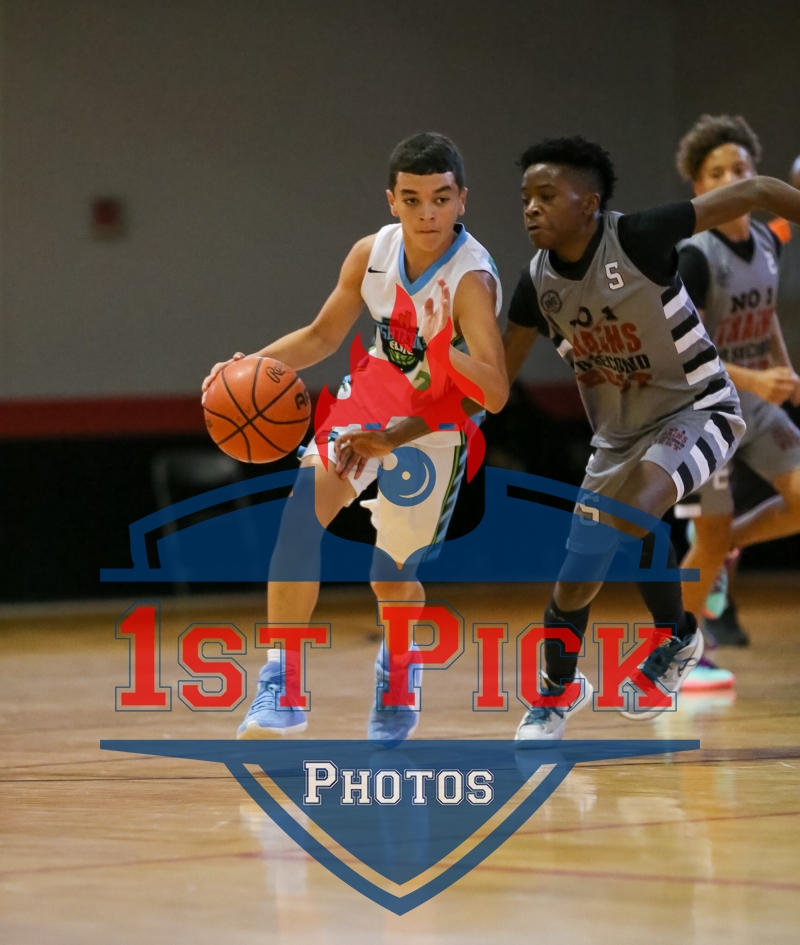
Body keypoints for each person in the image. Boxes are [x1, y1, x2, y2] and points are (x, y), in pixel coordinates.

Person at [202, 131, 507, 741]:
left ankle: (399, 669)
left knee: (390, 579)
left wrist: (405, 424)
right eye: (412, 199)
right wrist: (247, 366)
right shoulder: (372, 253)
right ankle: (282, 686)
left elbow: (492, 394)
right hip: (366, 403)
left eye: (441, 199)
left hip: (436, 427)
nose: (428, 213)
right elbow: (321, 336)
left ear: (462, 200)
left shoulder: (471, 280)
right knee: (298, 521)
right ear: (392, 200)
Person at [501, 134, 800, 740]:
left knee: (634, 512)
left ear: (589, 203)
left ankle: (679, 638)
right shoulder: (536, 284)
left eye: (547, 195)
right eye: (526, 197)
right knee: (576, 578)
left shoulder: (639, 238)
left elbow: (760, 189)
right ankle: (557, 692)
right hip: (618, 438)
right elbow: (495, 383)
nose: (531, 207)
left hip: (699, 408)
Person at [675, 119, 800, 662]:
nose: (731, 179)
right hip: (703, 412)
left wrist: (785, 371)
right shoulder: (694, 257)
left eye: (740, 169)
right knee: (708, 536)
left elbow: (764, 312)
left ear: (757, 177)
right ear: (699, 187)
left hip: (755, 401)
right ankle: (675, 650)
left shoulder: (769, 239)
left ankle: (726, 544)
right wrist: (757, 379)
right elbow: (688, 356)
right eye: (717, 172)